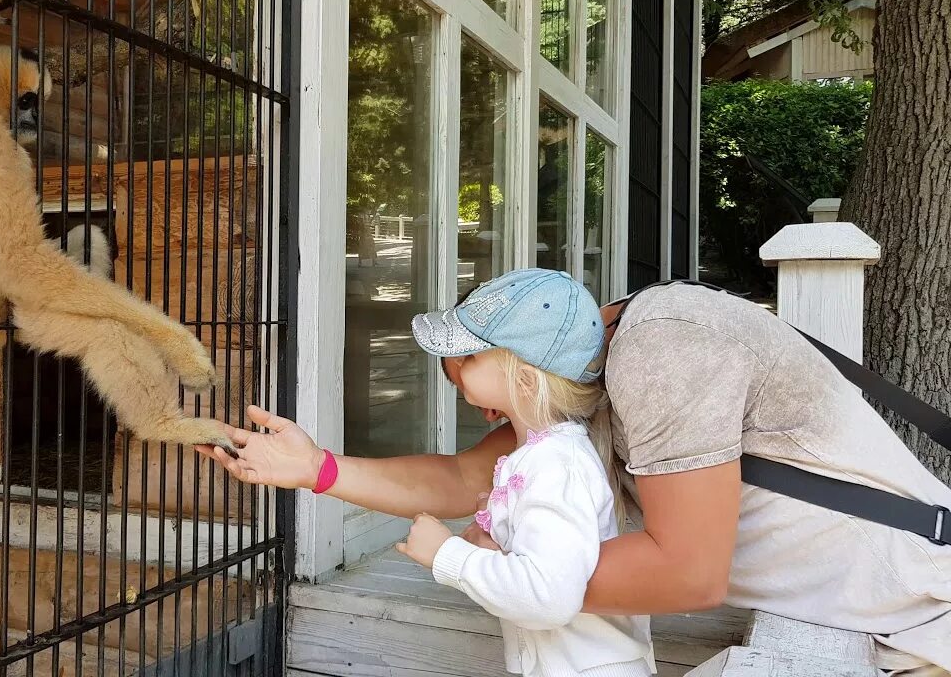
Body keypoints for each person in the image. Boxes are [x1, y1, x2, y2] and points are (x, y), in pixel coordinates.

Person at [202, 269, 951, 676]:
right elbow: (467, 482)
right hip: (836, 600)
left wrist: (487, 566)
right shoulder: (575, 389)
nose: (452, 379)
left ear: (525, 370)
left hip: (909, 604)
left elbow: (688, 575)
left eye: (464, 358)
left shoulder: (663, 355)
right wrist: (315, 468)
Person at [395, 269, 654, 676]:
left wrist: (448, 555)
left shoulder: (556, 464)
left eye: (473, 356)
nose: (458, 365)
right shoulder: (544, 454)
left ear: (525, 380)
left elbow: (549, 597)